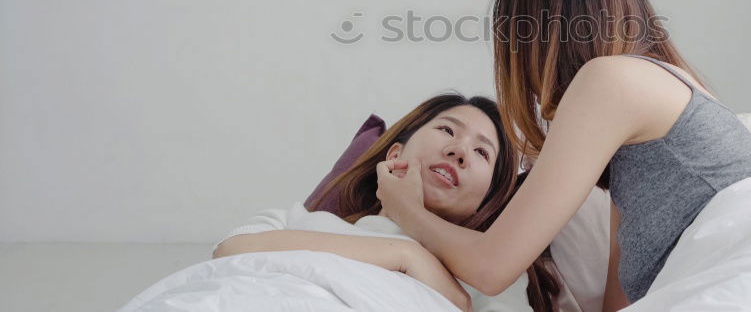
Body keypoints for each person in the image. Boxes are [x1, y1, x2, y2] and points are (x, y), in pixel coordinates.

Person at [373, 0, 751, 309]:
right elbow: (619, 301)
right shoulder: (641, 118)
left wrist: (405, 210)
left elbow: (491, 267)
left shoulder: (609, 81)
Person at [214, 93, 558, 312]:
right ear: (396, 155)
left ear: (487, 200)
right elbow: (229, 251)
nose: (458, 150)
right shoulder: (302, 220)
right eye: (447, 131)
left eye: (482, 151)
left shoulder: (487, 274)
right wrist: (404, 256)